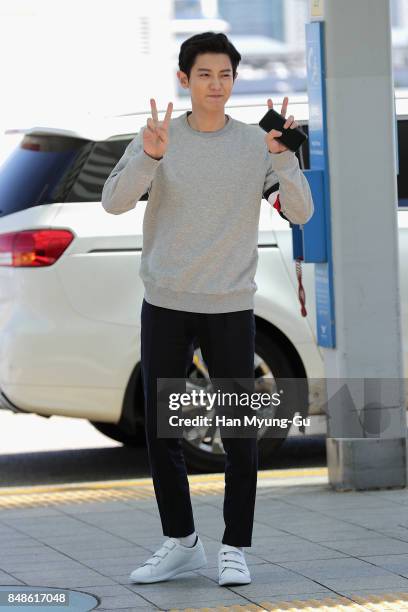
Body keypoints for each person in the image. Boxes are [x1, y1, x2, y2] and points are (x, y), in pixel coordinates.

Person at [101, 31, 314, 587]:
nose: (215, 85)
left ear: (234, 81)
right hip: (166, 301)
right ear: (184, 79)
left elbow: (302, 213)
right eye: (204, 75)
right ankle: (181, 543)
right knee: (162, 431)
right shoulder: (158, 136)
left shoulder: (255, 143)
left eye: (224, 75)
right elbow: (114, 201)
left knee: (239, 430)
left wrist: (284, 161)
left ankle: (234, 547)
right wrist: (149, 158)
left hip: (229, 305)